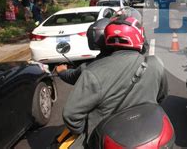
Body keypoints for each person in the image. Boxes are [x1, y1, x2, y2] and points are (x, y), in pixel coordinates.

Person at [62, 16, 168, 148]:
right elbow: (161, 96)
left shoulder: (92, 72)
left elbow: (71, 115)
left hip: (105, 139)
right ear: (138, 36)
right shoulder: (155, 63)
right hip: (148, 131)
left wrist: (86, 131)